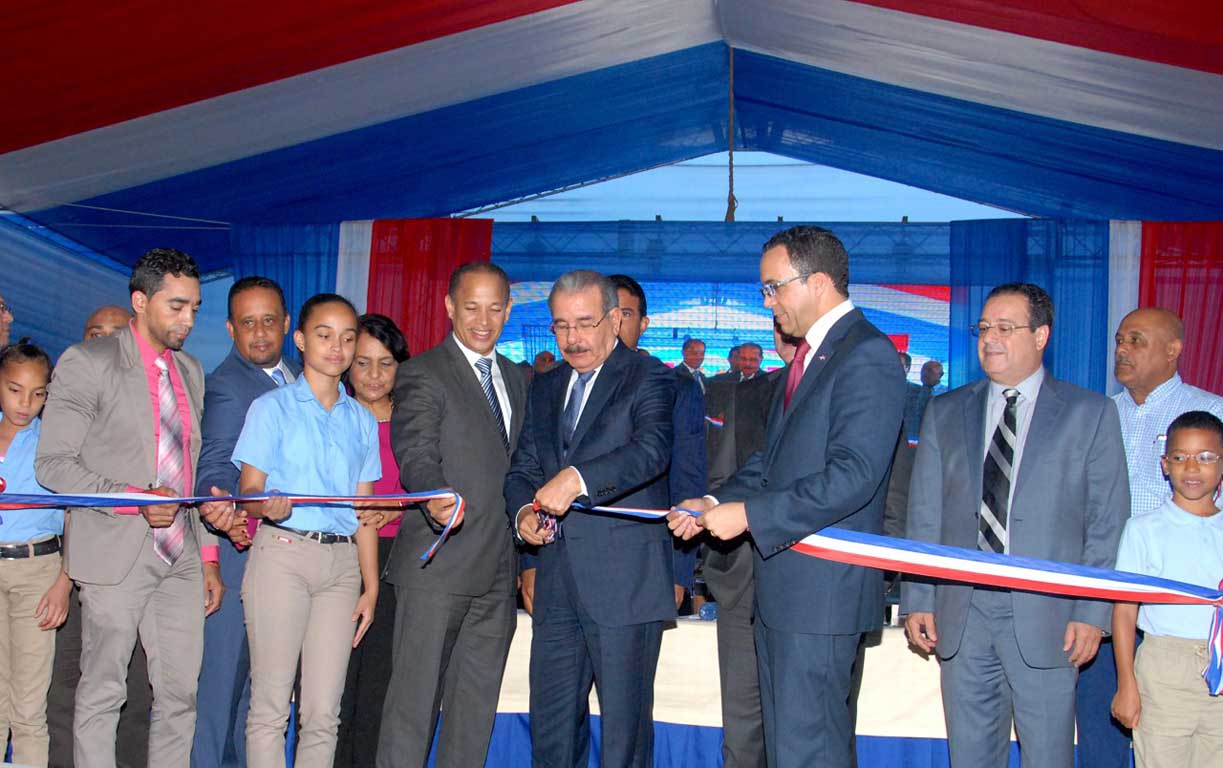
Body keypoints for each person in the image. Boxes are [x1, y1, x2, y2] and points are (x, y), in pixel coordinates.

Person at [670, 225, 906, 768]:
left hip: (822, 599)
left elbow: (855, 474)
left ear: (818, 282)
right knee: (789, 750)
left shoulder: (865, 355)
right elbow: (770, 465)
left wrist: (750, 515)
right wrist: (713, 504)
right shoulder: (812, 359)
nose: (768, 303)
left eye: (773, 288)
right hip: (786, 595)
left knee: (809, 751)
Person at [902, 282, 1130, 768]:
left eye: (1005, 328)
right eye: (984, 327)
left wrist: (1092, 613)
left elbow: (1106, 523)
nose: (990, 338)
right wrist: (919, 596)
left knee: (1047, 756)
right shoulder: (946, 411)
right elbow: (925, 514)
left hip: (1050, 616)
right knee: (969, 756)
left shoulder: (1090, 413)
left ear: (1041, 335)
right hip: (962, 612)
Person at [36, 247, 235, 768]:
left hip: (181, 553)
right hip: (113, 548)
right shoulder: (88, 362)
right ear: (140, 301)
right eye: (177, 306)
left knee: (180, 695)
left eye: (194, 307)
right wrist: (134, 499)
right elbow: (52, 466)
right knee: (104, 690)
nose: (188, 320)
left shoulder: (190, 370)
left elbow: (189, 468)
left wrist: (208, 556)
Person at [505, 270, 675, 768]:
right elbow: (524, 469)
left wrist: (577, 478)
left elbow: (650, 451)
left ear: (615, 320)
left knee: (624, 736)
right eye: (561, 325)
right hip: (556, 581)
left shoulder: (649, 376)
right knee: (551, 729)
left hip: (625, 582)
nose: (572, 338)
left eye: (584, 323)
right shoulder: (545, 385)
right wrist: (523, 514)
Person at [375, 262, 528, 768]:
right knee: (413, 709)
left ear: (508, 310)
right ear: (448, 306)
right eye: (471, 307)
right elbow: (415, 448)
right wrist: (433, 492)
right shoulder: (422, 372)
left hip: (499, 570)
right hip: (438, 566)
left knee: (474, 713)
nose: (483, 320)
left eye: (494, 308)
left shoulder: (517, 377)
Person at [232, 293, 381, 768]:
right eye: (324, 335)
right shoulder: (271, 408)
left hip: (341, 567)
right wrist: (265, 504)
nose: (337, 347)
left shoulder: (362, 420)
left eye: (347, 338)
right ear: (299, 340)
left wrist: (371, 585)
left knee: (323, 713)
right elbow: (248, 492)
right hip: (283, 554)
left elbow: (363, 511)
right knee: (270, 706)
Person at [1077, 306, 1223, 768]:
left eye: (1136, 340)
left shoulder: (1212, 414)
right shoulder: (1098, 414)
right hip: (1109, 602)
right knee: (1102, 730)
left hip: (1188, 623)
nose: (1123, 349)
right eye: (1120, 340)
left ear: (1173, 350)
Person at [192, 276, 300, 768]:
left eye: (269, 321)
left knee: (260, 694)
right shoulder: (227, 385)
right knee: (220, 691)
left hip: (289, 559)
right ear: (231, 328)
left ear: (287, 324)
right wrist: (222, 503)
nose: (259, 333)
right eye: (247, 323)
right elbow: (215, 462)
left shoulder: (300, 375)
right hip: (240, 555)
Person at [48, 307, 152, 768]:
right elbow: (64, 497)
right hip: (67, 571)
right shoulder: (61, 414)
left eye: (116, 334)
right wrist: (63, 578)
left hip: (131, 568)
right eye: (96, 335)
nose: (107, 344)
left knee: (133, 689)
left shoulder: (148, 417)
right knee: (66, 688)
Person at [701, 322, 795, 768]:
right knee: (741, 733)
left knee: (809, 731)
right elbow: (724, 476)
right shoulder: (751, 393)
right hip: (743, 578)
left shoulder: (850, 385)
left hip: (819, 583)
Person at [1111, 410, 1223, 768]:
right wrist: (1127, 684)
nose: (1192, 468)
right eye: (1180, 457)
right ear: (1164, 465)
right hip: (1164, 669)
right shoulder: (1143, 530)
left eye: (1206, 457)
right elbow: (1125, 611)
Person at [335, 313, 409, 768]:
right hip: (341, 557)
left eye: (386, 363)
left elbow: (437, 488)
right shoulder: (332, 418)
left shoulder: (414, 422)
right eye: (363, 363)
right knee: (336, 683)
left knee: (381, 683)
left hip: (398, 561)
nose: (374, 375)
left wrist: (398, 507)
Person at [608, 273, 706, 608]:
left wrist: (679, 570)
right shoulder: (560, 384)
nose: (616, 323)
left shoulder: (678, 389)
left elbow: (687, 479)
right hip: (568, 560)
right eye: (607, 312)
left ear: (644, 323)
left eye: (626, 313)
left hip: (647, 558)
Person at [0, 342, 70, 765]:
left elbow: (76, 514)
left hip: (37, 571)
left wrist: (64, 582)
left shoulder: (53, 444)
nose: (25, 404)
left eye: (37, 393)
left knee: (28, 705)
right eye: (14, 390)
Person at [884, 359, 943, 541]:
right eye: (925, 371)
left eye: (932, 372)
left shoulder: (943, 397)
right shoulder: (894, 392)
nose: (927, 375)